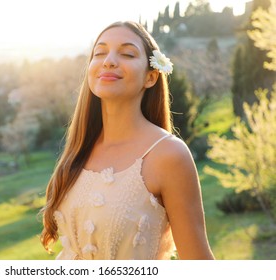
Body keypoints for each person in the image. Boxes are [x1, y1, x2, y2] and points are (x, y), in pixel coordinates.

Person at [40, 21, 214, 260]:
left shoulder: (168, 156)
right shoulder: (80, 149)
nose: (108, 61)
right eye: (99, 52)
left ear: (151, 77)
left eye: (127, 54)